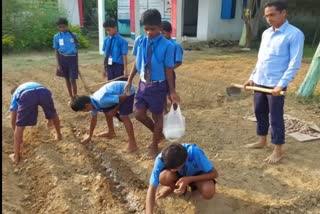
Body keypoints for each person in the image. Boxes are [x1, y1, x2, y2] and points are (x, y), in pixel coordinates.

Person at [243, 1, 304, 164]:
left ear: (283, 13)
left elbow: (294, 63)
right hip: (260, 81)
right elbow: (261, 59)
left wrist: (280, 84)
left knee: (275, 117)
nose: (268, 18)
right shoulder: (266, 33)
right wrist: (252, 77)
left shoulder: (294, 34)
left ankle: (278, 150)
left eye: (272, 15)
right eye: (266, 15)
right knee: (258, 111)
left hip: (275, 84)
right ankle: (262, 140)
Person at [125, 9, 179, 158]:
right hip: (143, 84)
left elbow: (169, 70)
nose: (149, 32)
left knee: (158, 116)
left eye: (153, 29)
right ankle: (159, 133)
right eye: (146, 28)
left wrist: (172, 91)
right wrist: (129, 81)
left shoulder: (168, 46)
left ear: (160, 27)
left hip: (158, 86)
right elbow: (137, 63)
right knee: (138, 114)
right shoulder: (140, 41)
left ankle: (154, 145)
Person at [146, 143, 218, 213]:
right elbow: (151, 188)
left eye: (175, 168)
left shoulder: (194, 152)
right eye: (170, 169)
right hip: (179, 175)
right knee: (163, 177)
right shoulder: (162, 158)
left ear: (186, 159)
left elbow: (214, 174)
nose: (171, 170)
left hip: (197, 175)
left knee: (208, 191)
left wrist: (189, 179)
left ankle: (194, 188)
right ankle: (175, 187)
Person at [70, 81, 138, 152]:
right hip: (117, 93)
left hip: (128, 91)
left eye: (83, 110)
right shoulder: (92, 102)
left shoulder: (101, 100)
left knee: (123, 116)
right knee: (106, 111)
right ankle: (111, 132)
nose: (84, 112)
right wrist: (90, 136)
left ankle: (133, 143)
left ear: (87, 106)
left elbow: (123, 98)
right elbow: (93, 120)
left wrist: (115, 110)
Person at [9, 82, 62, 164]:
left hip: (27, 95)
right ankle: (59, 135)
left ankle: (16, 156)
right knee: (53, 113)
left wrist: (19, 138)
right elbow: (48, 108)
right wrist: (49, 119)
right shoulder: (28, 85)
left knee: (19, 125)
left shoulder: (16, 95)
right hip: (44, 91)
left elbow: (13, 120)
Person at [53, 17, 79, 102]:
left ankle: (75, 96)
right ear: (58, 27)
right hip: (62, 58)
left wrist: (76, 61)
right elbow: (56, 50)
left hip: (72, 58)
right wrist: (58, 64)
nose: (62, 28)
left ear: (67, 26)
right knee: (67, 79)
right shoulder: (56, 37)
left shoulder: (73, 35)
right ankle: (71, 96)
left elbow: (76, 48)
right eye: (60, 27)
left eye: (64, 26)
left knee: (73, 79)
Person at [160, 21, 184, 113]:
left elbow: (178, 62)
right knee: (161, 95)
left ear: (169, 32)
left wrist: (169, 69)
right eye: (160, 33)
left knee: (171, 94)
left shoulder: (175, 46)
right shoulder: (160, 45)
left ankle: (176, 112)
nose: (162, 36)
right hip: (160, 75)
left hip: (169, 73)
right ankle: (164, 113)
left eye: (163, 33)